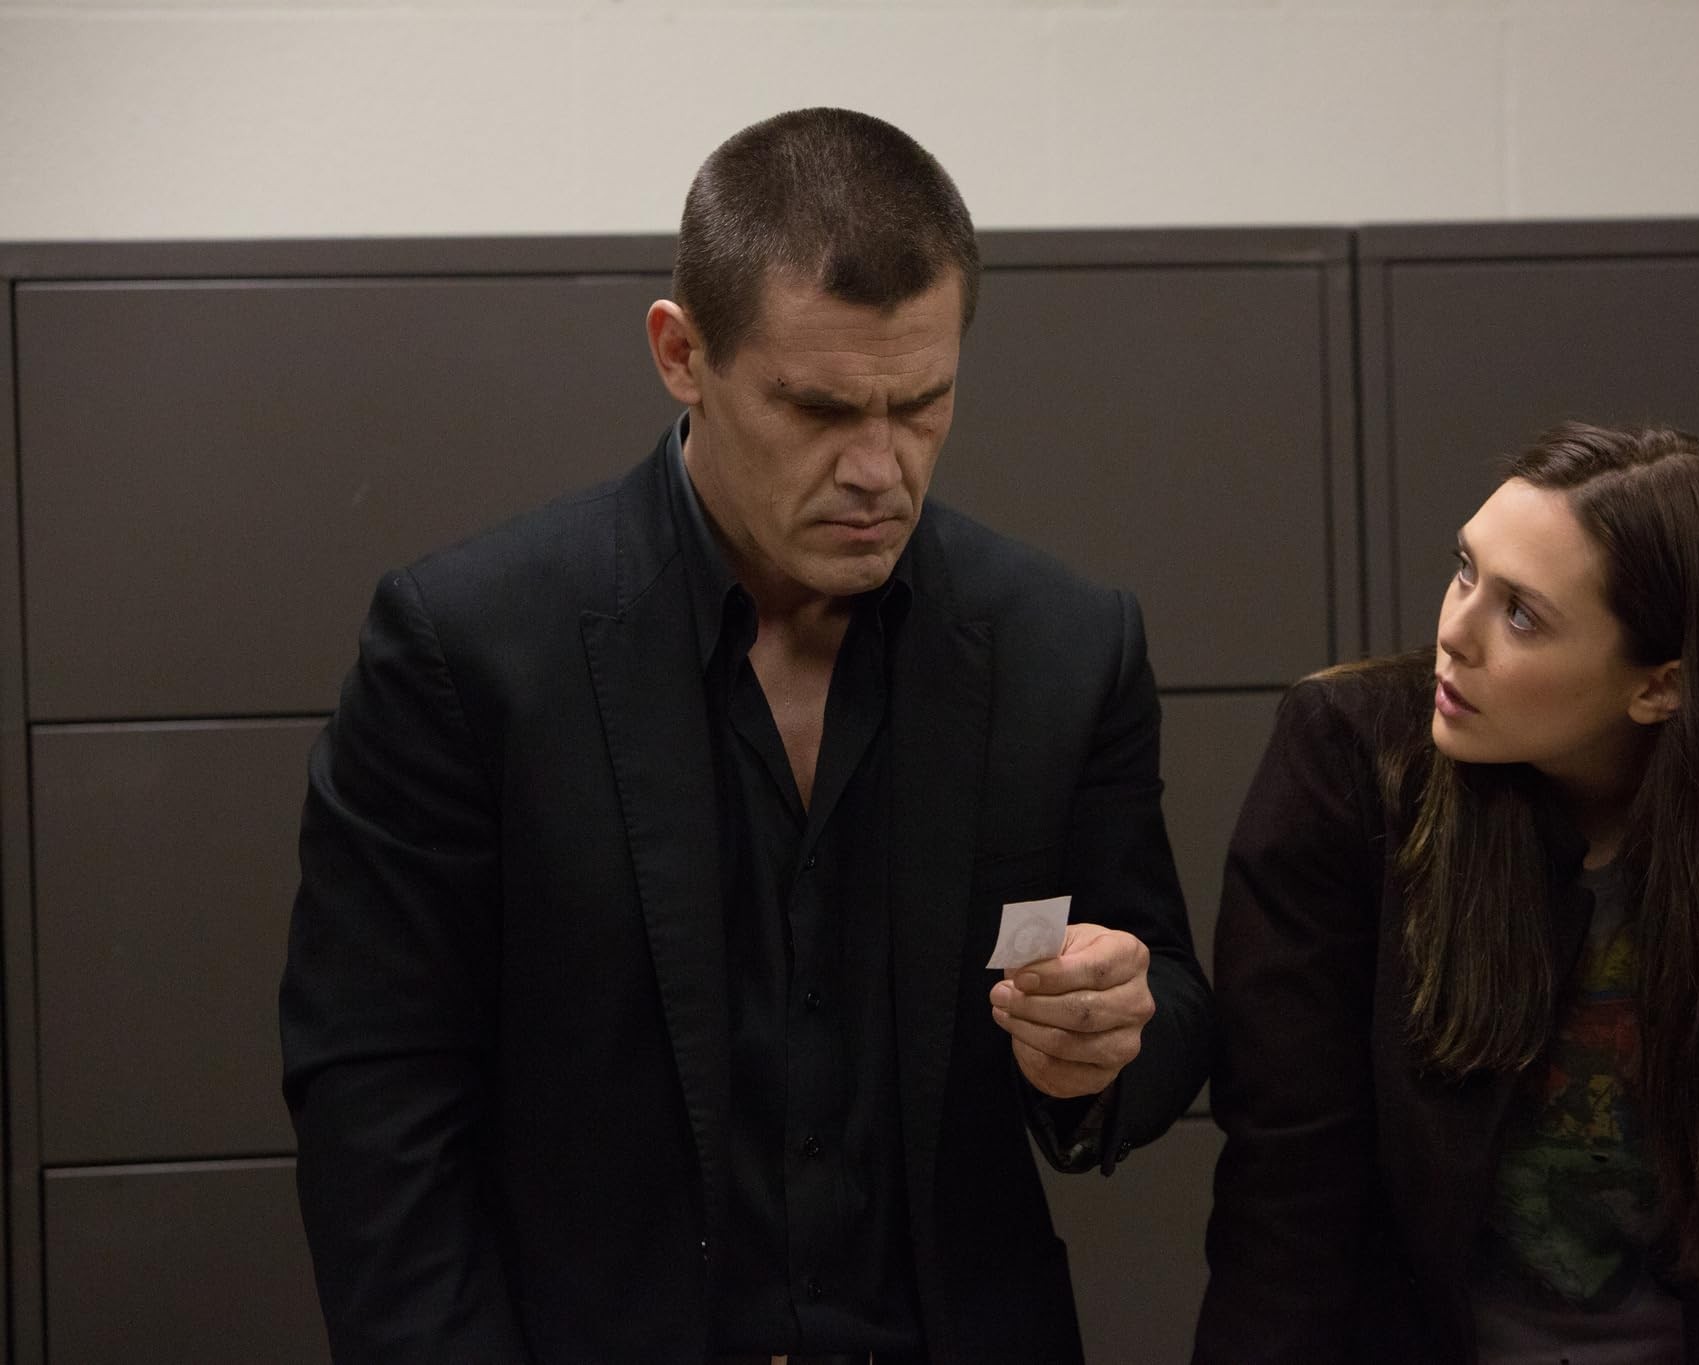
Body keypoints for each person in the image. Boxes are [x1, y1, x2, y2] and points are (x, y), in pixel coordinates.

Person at [280, 107, 1211, 1365]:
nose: (877, 467)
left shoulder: (1065, 644)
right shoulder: (468, 650)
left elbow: (1163, 991)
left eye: (920, 403)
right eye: (817, 409)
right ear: (681, 353)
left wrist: (1105, 1038)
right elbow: (377, 1099)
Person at [1195, 422, 1699, 1364]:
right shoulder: (1348, 762)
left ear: (1661, 687)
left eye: (1521, 615)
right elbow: (1287, 1204)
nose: (1452, 633)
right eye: (1465, 570)